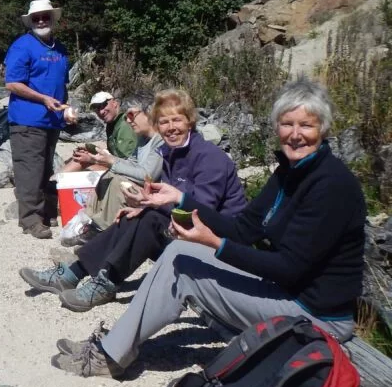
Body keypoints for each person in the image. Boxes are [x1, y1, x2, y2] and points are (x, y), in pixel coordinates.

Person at [51, 78, 365, 378]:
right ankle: (113, 344)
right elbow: (243, 228)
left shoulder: (331, 186)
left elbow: (290, 268)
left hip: (315, 314)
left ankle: (110, 355)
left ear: (323, 129)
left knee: (183, 268)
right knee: (178, 249)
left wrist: (214, 242)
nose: (295, 135)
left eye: (306, 125)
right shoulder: (289, 172)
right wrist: (180, 198)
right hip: (284, 289)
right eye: (287, 124)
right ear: (277, 128)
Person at [19, 88, 246, 307]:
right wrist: (143, 205)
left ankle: (106, 282)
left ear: (190, 121)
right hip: (188, 232)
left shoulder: (209, 158)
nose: (170, 128)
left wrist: (154, 207)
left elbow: (201, 211)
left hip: (217, 243)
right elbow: (168, 197)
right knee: (130, 216)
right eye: (164, 122)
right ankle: (72, 274)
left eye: (177, 120)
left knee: (148, 220)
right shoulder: (171, 153)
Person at [5, 0, 73, 238]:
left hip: (52, 120)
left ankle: (45, 213)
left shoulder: (60, 48)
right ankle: (30, 220)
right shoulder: (22, 46)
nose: (41, 21)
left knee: (46, 169)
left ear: (52, 18)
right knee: (29, 171)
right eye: (36, 18)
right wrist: (44, 99)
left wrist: (65, 108)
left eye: (45, 16)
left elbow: (61, 84)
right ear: (31, 21)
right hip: (27, 120)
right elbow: (12, 83)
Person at [72, 94, 164, 239]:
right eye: (126, 116)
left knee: (117, 182)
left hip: (154, 193)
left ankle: (105, 232)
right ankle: (90, 221)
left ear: (148, 113)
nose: (128, 120)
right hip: (141, 185)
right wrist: (107, 160)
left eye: (131, 115)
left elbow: (148, 176)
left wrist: (112, 163)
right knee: (107, 176)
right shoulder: (142, 139)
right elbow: (131, 162)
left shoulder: (160, 140)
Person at [60, 92, 137, 175]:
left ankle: (54, 182)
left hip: (126, 173)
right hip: (118, 166)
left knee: (83, 166)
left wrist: (92, 159)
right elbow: (115, 153)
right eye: (96, 109)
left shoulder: (125, 124)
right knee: (79, 159)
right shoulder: (113, 123)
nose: (101, 111)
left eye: (103, 105)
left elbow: (126, 162)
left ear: (115, 103)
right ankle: (56, 181)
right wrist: (91, 150)